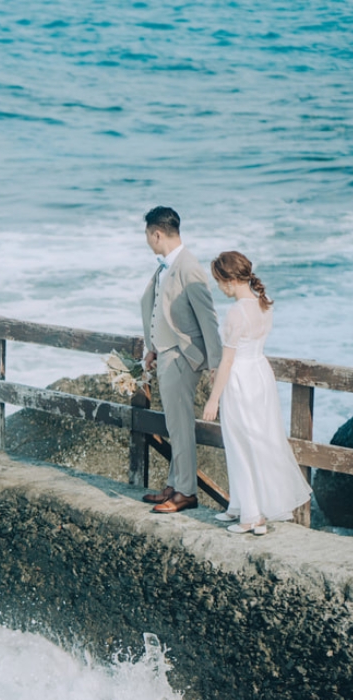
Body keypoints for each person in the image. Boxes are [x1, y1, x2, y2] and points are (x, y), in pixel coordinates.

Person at [201, 251, 311, 534]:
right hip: (260, 374)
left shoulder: (236, 312)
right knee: (258, 439)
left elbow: (227, 360)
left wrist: (213, 398)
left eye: (218, 280)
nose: (218, 287)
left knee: (240, 442)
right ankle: (241, 506)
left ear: (229, 280)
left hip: (240, 378)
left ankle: (251, 516)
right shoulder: (265, 304)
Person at [139, 206, 222, 513]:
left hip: (182, 357)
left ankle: (186, 492)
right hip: (166, 353)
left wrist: (215, 364)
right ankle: (175, 484)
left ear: (156, 233)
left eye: (148, 235)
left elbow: (209, 319)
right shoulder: (166, 266)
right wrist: (153, 347)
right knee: (174, 424)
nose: (147, 241)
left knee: (181, 425)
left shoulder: (189, 267)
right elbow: (161, 311)